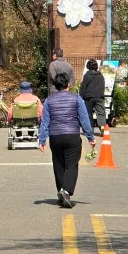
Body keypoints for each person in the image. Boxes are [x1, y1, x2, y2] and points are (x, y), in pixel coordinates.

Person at [39, 72, 96, 208]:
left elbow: (45, 122)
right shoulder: (76, 99)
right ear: (68, 84)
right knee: (72, 164)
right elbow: (84, 119)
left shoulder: (49, 100)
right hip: (72, 135)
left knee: (58, 164)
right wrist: (90, 137)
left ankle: (61, 191)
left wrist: (42, 140)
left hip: (56, 136)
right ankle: (66, 190)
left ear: (56, 85)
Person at [79, 59, 107, 130]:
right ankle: (102, 126)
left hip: (89, 97)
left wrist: (81, 96)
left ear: (88, 66)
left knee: (89, 113)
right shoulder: (100, 75)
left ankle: (91, 129)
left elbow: (83, 87)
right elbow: (102, 85)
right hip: (99, 96)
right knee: (101, 112)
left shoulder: (87, 75)